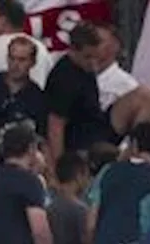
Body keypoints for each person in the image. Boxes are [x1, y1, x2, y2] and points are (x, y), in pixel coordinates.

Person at [44, 23, 110, 172]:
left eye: (96, 56)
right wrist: (60, 167)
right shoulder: (64, 79)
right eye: (87, 57)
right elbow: (56, 125)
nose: (93, 62)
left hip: (97, 127)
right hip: (78, 142)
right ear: (73, 51)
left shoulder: (86, 69)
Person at [0, 35, 47, 140]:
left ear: (32, 62)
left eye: (22, 60)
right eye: (12, 58)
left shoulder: (37, 98)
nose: (15, 65)